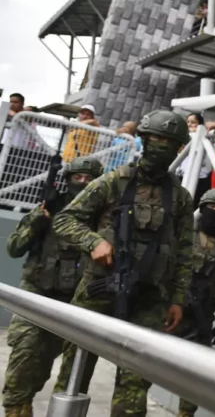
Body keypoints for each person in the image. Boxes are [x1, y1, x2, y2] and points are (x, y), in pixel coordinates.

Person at [51, 110, 195, 416]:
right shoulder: (114, 181)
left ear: (179, 147)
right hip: (99, 289)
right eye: (156, 138)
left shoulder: (180, 198)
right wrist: (94, 242)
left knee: (134, 387)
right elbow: (65, 220)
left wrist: (178, 300)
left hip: (150, 298)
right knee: (73, 374)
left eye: (170, 141)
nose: (162, 145)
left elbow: (185, 254)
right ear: (144, 139)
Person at [1, 157, 104, 417]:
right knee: (25, 354)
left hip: (73, 301)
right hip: (36, 294)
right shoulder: (46, 209)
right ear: (67, 179)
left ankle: (26, 402)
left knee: (44, 363)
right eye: (77, 178)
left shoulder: (101, 220)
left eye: (89, 180)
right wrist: (37, 220)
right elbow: (14, 248)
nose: (82, 183)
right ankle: (15, 409)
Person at [175, 188, 215, 417]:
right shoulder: (184, 233)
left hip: (202, 318)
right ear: (202, 208)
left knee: (194, 380)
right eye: (211, 207)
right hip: (172, 313)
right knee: (142, 372)